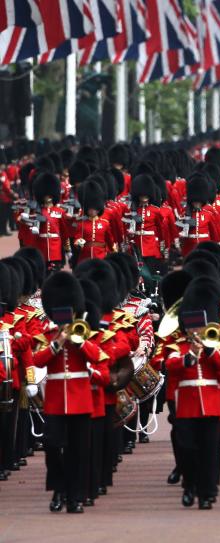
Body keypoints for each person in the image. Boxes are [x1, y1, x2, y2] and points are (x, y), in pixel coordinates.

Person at [34, 272, 107, 513]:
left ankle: (75, 496)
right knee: (52, 446)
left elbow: (96, 356)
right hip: (55, 401)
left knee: (78, 451)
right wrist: (57, 342)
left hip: (80, 400)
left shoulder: (84, 334)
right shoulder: (47, 337)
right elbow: (39, 360)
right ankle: (58, 490)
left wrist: (78, 342)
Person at [164, 278, 220, 510]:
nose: (195, 330)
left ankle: (207, 492)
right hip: (187, 405)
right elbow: (170, 365)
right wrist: (191, 356)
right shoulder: (179, 348)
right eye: (192, 325)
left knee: (209, 451)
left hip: (212, 404)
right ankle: (190, 486)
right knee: (187, 449)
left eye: (199, 325)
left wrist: (209, 350)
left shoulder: (216, 345)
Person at [72, 181, 116, 262]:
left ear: (98, 210)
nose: (92, 211)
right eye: (90, 209)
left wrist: (113, 250)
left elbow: (109, 239)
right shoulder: (81, 224)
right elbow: (77, 237)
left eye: (94, 209)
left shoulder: (104, 223)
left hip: (101, 255)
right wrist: (78, 242)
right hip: (85, 256)